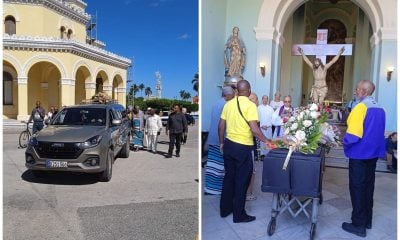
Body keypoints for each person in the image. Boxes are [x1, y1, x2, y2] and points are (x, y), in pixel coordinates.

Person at [218, 79, 274, 223]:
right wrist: (267, 141)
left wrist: (221, 143)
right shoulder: (250, 106)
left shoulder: (228, 104)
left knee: (229, 178)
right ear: (249, 91)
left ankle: (225, 210)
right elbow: (254, 129)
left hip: (229, 145)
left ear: (237, 91)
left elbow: (221, 126)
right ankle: (239, 215)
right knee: (242, 181)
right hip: (242, 148)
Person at [342, 80, 386, 237]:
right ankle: (367, 220)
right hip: (373, 154)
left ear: (365, 92)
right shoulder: (380, 107)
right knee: (368, 187)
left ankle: (358, 224)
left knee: (358, 188)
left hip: (360, 154)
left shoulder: (360, 107)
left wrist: (342, 142)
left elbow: (353, 135)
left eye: (357, 89)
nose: (355, 92)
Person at [204, 86, 235, 195]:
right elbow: (223, 125)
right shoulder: (226, 105)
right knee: (220, 166)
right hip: (220, 139)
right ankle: (216, 189)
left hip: (213, 138)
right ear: (227, 95)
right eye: (232, 94)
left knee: (212, 165)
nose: (234, 96)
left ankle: (209, 188)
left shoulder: (216, 103)